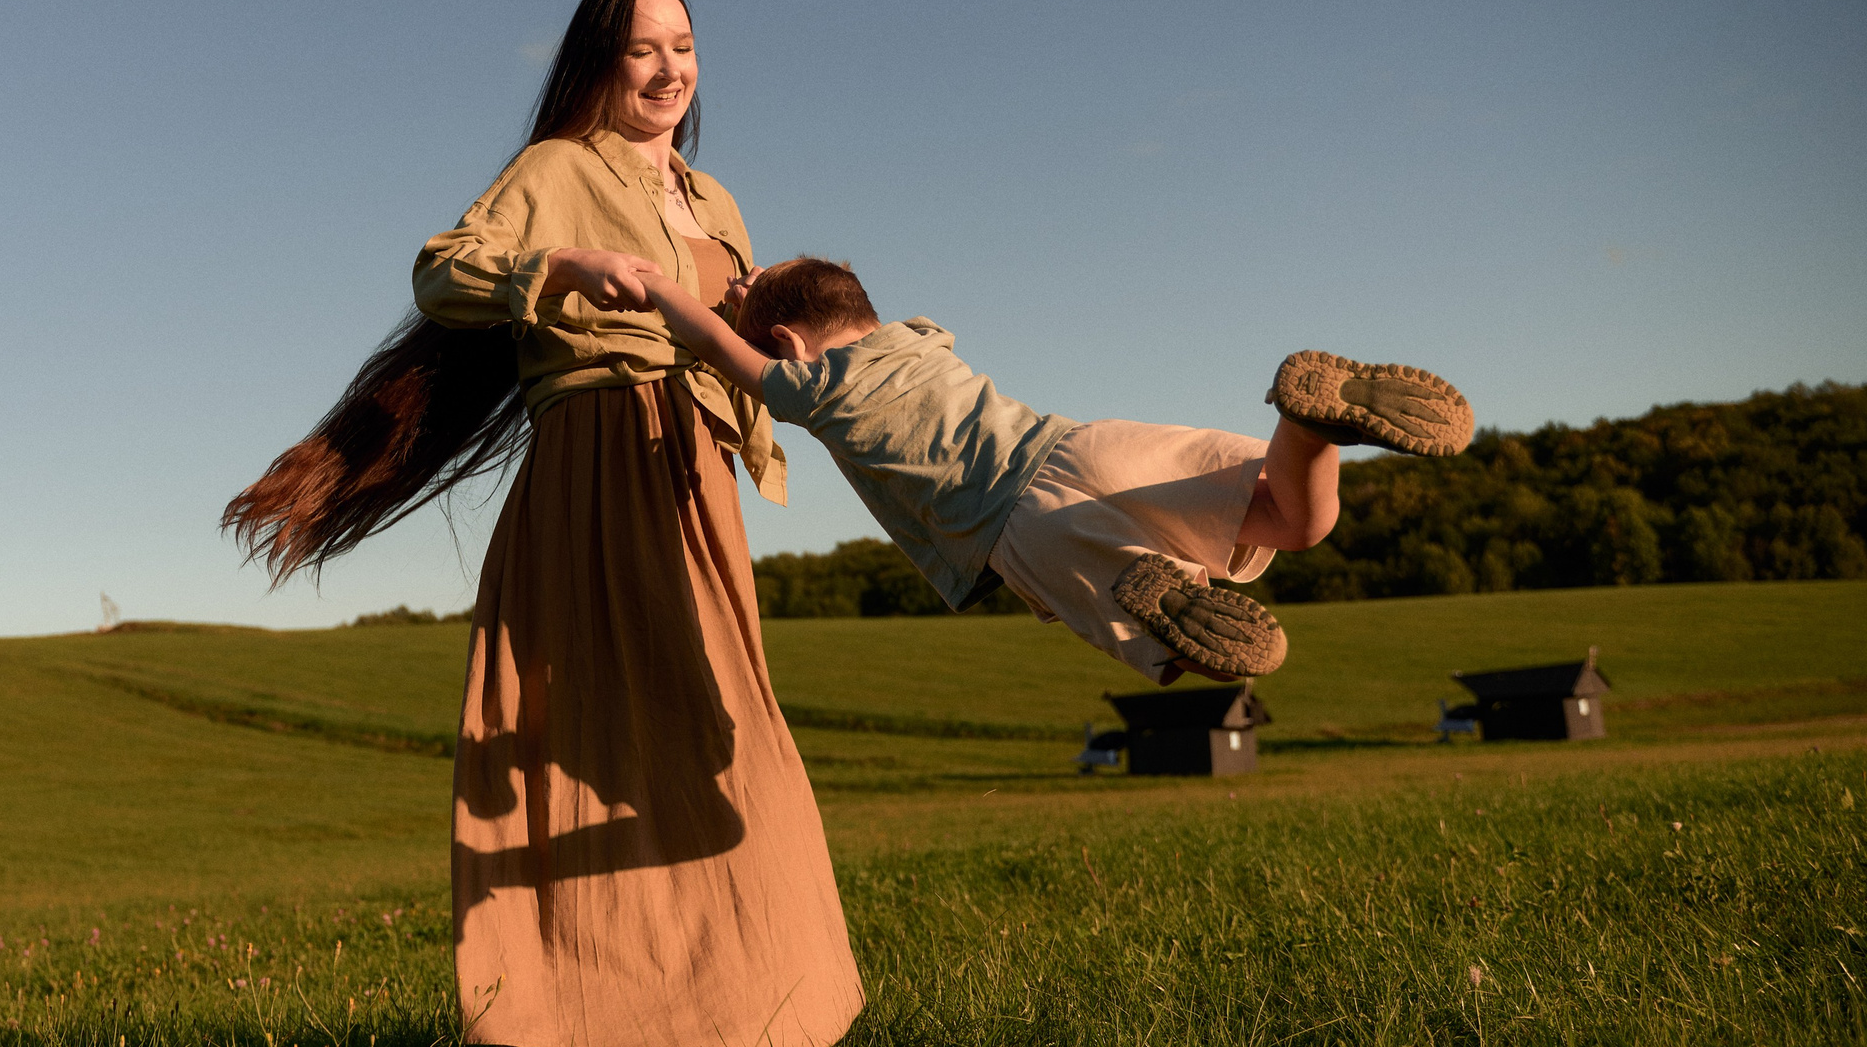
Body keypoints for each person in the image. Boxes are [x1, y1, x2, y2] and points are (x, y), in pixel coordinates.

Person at [222, 0, 862, 1047]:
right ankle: (540, 1035)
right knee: (582, 736)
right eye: (639, 50)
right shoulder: (557, 168)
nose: (668, 69)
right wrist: (560, 267)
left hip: (696, 483)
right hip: (597, 459)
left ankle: (718, 1014)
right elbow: (440, 268)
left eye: (683, 44)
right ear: (598, 65)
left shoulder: (718, 202)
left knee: (721, 741)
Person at [628, 255, 1474, 684]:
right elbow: (819, 303)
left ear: (785, 344)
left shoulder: (820, 389)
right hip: (1089, 445)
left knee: (1181, 652)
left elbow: (723, 352)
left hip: (1026, 524)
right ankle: (1305, 422)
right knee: (1297, 521)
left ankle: (1156, 590)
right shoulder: (919, 338)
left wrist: (668, 290)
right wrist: (773, 288)